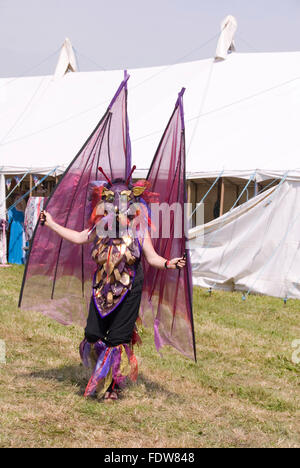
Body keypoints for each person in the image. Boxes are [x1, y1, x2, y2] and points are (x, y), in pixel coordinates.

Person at [40, 179, 186, 401]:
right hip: (102, 288)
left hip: (129, 289)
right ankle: (101, 375)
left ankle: (112, 386)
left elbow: (152, 257)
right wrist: (50, 223)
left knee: (118, 339)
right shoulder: (100, 227)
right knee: (92, 334)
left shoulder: (138, 229)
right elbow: (80, 237)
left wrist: (169, 263)